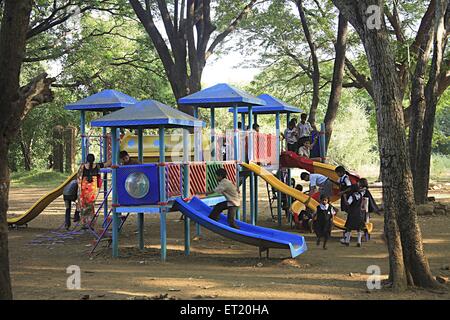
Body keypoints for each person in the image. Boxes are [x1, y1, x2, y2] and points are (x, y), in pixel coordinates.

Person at [77, 153, 109, 229]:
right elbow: (107, 164)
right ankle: (91, 223)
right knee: (91, 206)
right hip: (92, 187)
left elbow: (78, 177)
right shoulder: (97, 166)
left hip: (84, 187)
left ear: (86, 159)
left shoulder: (82, 166)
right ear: (94, 159)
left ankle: (84, 223)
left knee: (84, 205)